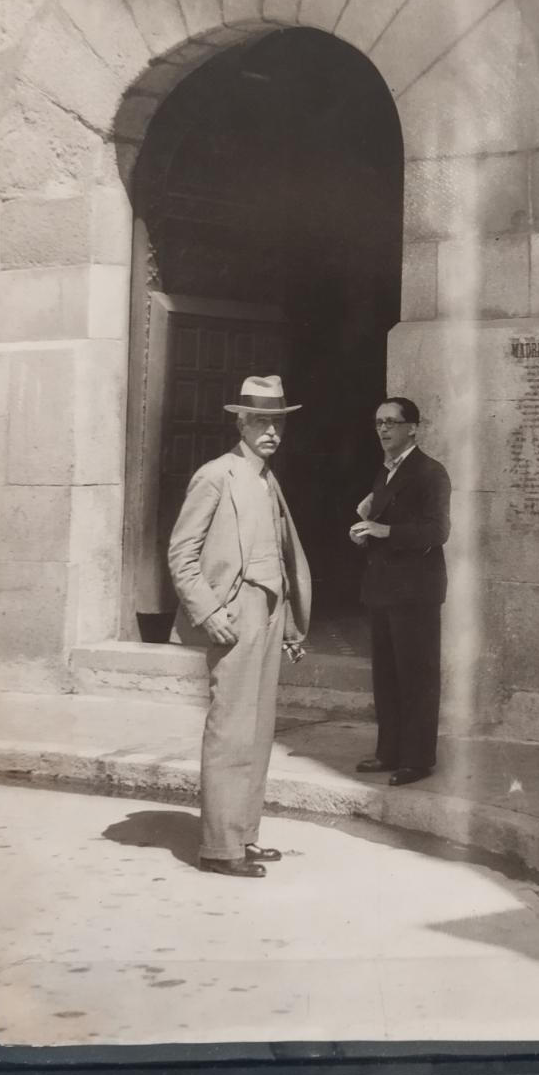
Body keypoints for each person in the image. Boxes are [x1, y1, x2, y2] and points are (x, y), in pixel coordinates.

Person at [167, 375, 312, 878]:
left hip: (270, 614)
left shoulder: (267, 478)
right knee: (230, 729)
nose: (271, 431)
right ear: (241, 422)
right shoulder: (216, 475)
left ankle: (243, 836)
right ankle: (218, 848)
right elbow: (181, 554)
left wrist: (290, 624)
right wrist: (207, 612)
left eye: (278, 421)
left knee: (257, 729)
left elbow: (280, 557)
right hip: (234, 614)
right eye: (261, 421)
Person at [349, 397, 451, 786]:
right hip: (383, 589)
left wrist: (384, 531)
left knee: (417, 676)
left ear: (413, 427)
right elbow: (380, 521)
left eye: (392, 422)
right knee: (387, 676)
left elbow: (437, 531)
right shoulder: (386, 472)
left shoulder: (430, 473)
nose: (383, 429)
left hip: (415, 592)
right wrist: (365, 532)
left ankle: (418, 759)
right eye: (378, 422)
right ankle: (388, 752)